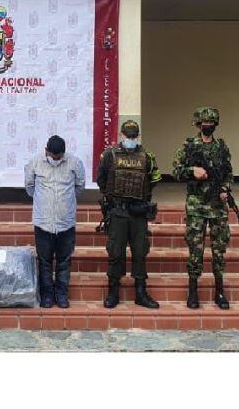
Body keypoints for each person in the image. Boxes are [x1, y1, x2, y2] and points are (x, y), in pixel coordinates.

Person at [172, 106, 234, 310]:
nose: (208, 126)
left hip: (218, 206)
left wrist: (225, 188)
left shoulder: (222, 148)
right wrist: (192, 170)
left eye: (211, 123)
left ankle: (220, 291)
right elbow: (176, 171)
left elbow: (228, 173)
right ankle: (193, 291)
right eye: (205, 123)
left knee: (219, 251)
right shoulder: (189, 146)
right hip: (197, 206)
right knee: (195, 250)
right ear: (198, 125)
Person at [96, 120, 162, 309]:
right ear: (121, 135)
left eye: (134, 136)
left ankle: (140, 292)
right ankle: (113, 291)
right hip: (117, 211)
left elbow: (154, 179)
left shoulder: (147, 156)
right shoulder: (109, 155)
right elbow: (102, 179)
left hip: (138, 213)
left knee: (140, 252)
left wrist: (141, 198)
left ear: (138, 136)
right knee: (116, 252)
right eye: (128, 136)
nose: (131, 139)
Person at [24, 135, 85, 308]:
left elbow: (79, 187)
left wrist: (65, 204)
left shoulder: (75, 163)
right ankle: (47, 295)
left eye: (59, 158)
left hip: (66, 223)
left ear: (64, 154)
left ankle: (62, 294)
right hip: (43, 222)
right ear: (46, 151)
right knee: (45, 261)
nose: (56, 160)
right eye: (52, 157)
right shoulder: (35, 163)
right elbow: (29, 187)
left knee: (64, 260)